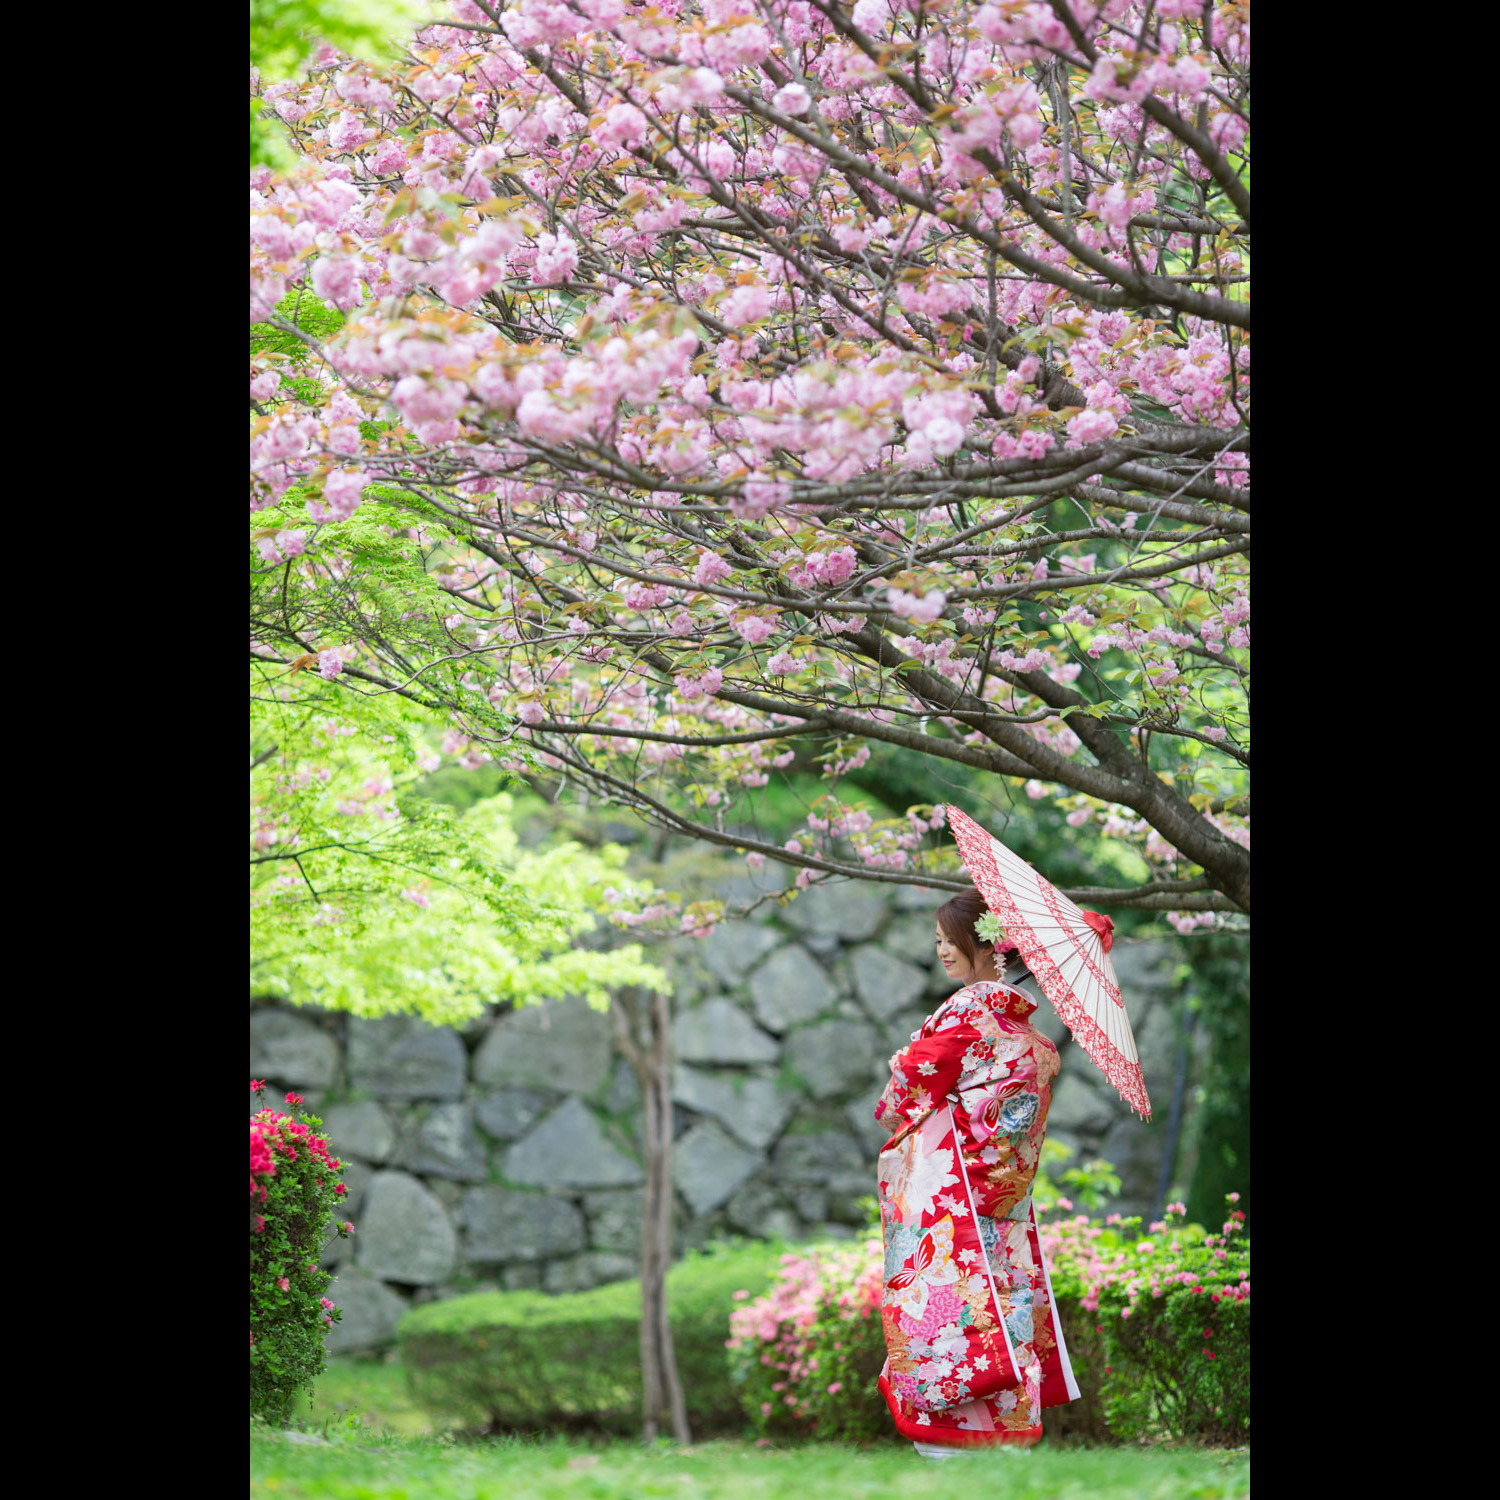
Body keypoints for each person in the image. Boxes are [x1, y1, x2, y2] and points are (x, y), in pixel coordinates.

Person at [872, 886, 1080, 1457]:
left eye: (950, 939)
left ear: (987, 946)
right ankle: (1007, 1431)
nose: (941, 950)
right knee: (1004, 1304)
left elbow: (901, 1096)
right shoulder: (1035, 1041)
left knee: (948, 1309)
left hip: (954, 1202)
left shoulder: (966, 1017)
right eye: (937, 940)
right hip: (1004, 1200)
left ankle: (950, 1439)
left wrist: (907, 1058)